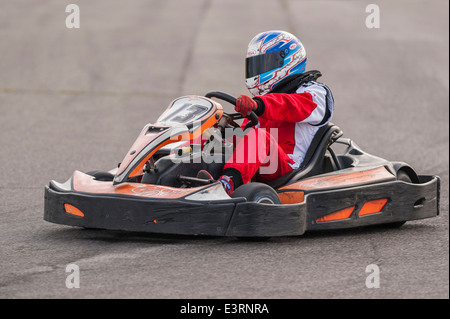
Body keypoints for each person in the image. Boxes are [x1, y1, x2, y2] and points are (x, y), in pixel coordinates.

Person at [200, 30, 334, 196]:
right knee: (211, 134)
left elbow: (291, 106)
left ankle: (227, 185)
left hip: (288, 169)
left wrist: (259, 104)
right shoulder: (264, 100)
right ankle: (168, 167)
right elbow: (244, 136)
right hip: (261, 163)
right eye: (255, 65)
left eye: (264, 64)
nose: (257, 70)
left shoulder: (315, 92)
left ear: (288, 60)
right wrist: (222, 130)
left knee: (259, 136)